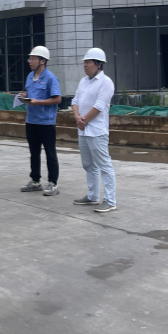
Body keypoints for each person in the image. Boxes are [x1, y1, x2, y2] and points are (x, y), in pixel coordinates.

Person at [71, 48, 117, 213]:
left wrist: (83, 120)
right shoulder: (83, 81)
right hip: (83, 130)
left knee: (104, 165)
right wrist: (77, 118)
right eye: (84, 62)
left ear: (98, 64)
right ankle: (92, 196)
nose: (85, 65)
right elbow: (75, 101)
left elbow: (99, 106)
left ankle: (110, 201)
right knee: (88, 164)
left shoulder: (106, 82)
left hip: (96, 131)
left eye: (88, 62)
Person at [18, 46, 62, 196]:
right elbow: (30, 93)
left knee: (50, 152)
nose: (30, 61)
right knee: (34, 152)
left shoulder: (50, 78)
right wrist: (24, 95)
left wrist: (38, 102)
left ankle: (53, 183)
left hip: (46, 122)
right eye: (29, 58)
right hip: (31, 120)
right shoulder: (30, 76)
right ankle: (35, 181)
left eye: (33, 58)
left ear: (42, 61)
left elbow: (57, 99)